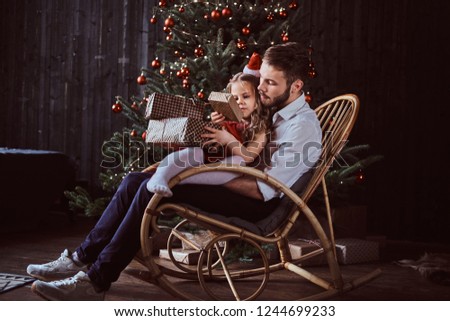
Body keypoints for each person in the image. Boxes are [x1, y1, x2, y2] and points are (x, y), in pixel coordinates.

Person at [26, 42, 322, 300]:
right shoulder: (275, 107)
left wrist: (190, 174)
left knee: (149, 189)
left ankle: (95, 282)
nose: (261, 88)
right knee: (133, 181)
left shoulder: (301, 127)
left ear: (296, 86)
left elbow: (265, 188)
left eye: (270, 82)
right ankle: (79, 258)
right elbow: (243, 133)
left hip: (256, 201)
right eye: (262, 81)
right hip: (237, 178)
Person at [146, 71, 270, 198]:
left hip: (222, 167)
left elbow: (249, 156)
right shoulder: (228, 118)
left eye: (246, 96)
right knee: (195, 152)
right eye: (235, 98)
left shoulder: (260, 128)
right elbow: (207, 140)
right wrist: (215, 123)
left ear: (258, 99)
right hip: (206, 157)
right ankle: (160, 177)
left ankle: (180, 180)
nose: (240, 102)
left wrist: (228, 139)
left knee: (238, 162)